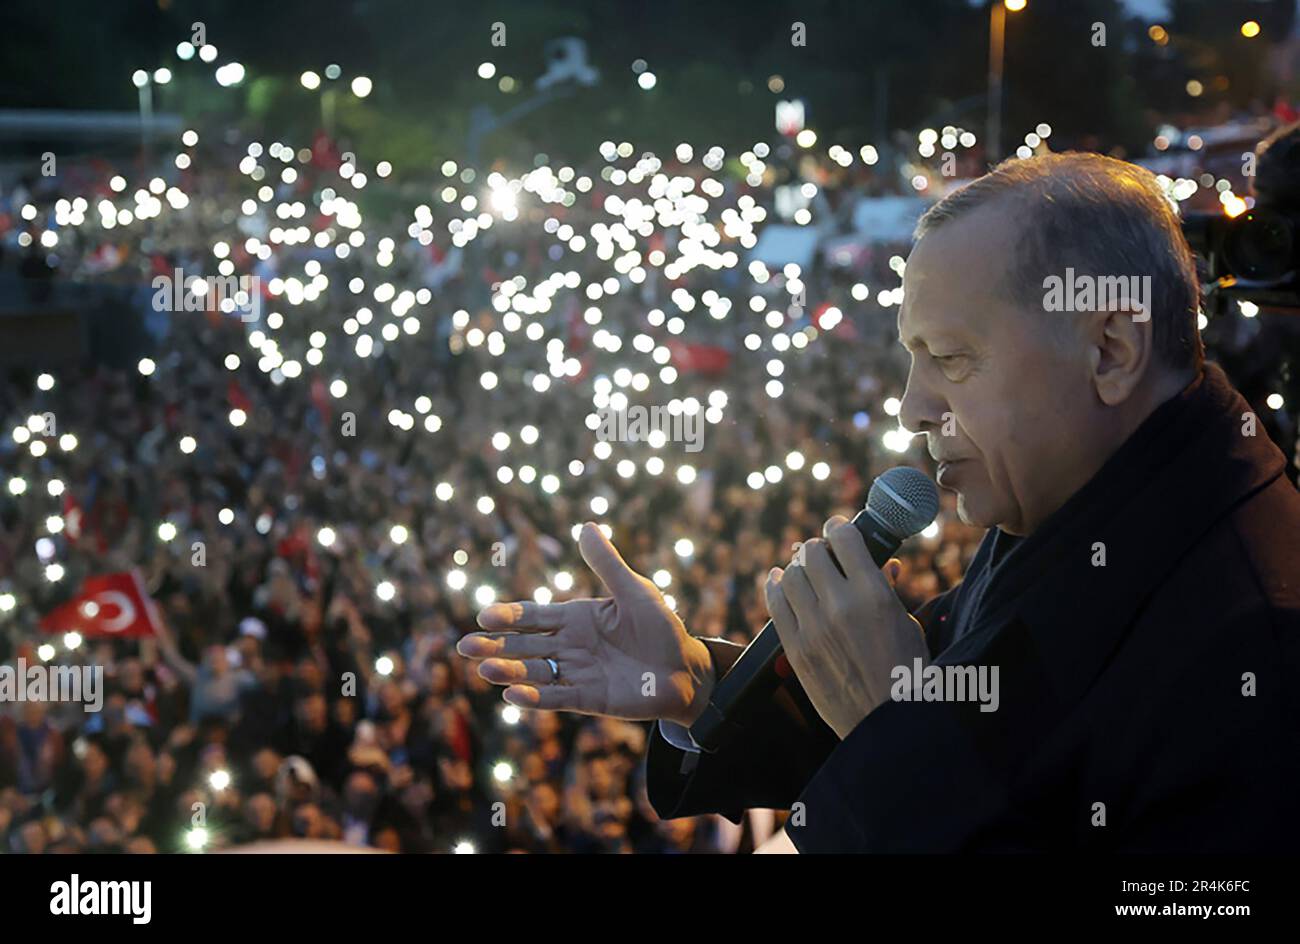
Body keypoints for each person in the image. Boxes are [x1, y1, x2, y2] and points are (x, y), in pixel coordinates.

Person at [459, 152, 1300, 852]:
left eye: (952, 359)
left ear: (1110, 349)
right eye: (911, 358)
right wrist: (703, 686)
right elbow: (962, 729)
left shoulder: (1258, 644)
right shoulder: (1078, 498)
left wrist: (898, 727)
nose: (911, 406)